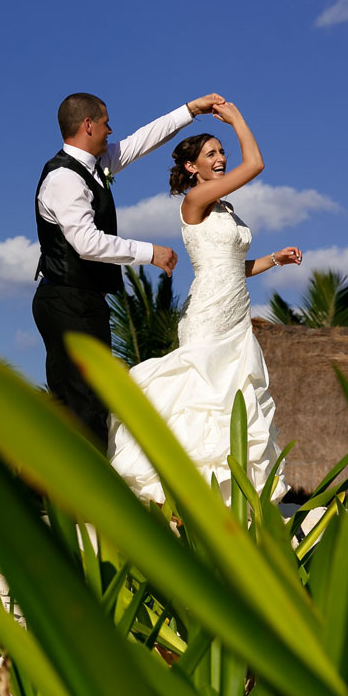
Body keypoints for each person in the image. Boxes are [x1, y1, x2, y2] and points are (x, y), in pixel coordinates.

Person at [108, 101, 296, 503]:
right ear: (192, 167)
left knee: (236, 395)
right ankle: (181, 490)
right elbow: (256, 164)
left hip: (236, 311)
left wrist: (274, 260)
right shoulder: (195, 201)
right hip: (209, 311)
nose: (222, 158)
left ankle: (232, 495)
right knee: (203, 393)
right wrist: (239, 120)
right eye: (211, 153)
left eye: (222, 151)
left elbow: (231, 266)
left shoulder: (224, 207)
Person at [33, 91, 224, 447]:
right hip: (66, 300)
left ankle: (58, 496)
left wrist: (189, 110)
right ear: (88, 125)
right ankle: (83, 496)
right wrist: (150, 252)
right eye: (106, 123)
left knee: (84, 401)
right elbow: (87, 243)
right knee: (84, 403)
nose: (111, 130)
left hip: (83, 300)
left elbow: (141, 141)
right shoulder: (64, 179)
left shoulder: (94, 165)